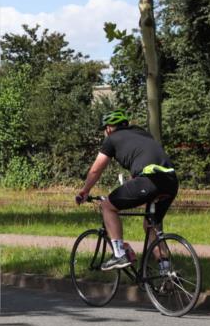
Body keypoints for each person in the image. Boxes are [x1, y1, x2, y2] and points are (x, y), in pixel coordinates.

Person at [75, 110, 178, 270]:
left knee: (108, 206)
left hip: (149, 180)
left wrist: (85, 190)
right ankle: (167, 271)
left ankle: (120, 254)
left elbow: (96, 170)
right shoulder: (142, 134)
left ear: (109, 128)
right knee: (151, 225)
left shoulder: (111, 139)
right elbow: (136, 174)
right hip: (170, 180)